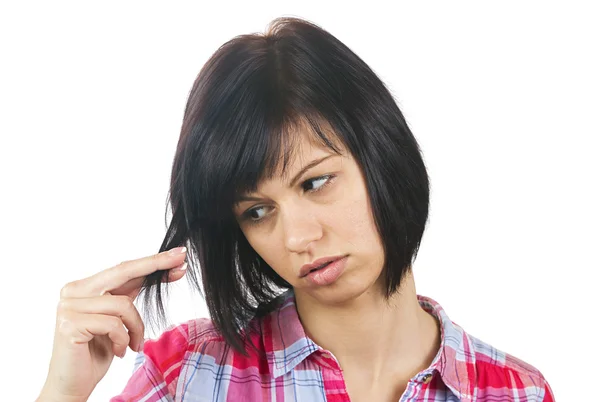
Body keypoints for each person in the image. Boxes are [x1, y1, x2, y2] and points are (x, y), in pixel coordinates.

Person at [36, 17, 555, 402]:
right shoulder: (186, 374)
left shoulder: (515, 391)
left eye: (316, 182)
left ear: (383, 156)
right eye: (257, 212)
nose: (297, 237)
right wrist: (64, 390)